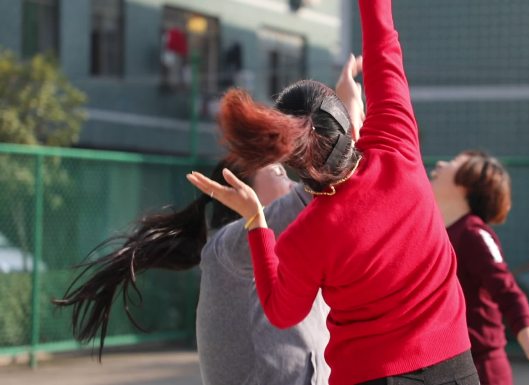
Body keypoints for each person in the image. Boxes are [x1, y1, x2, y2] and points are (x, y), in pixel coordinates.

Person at [186, 1, 478, 384]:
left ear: (296, 164)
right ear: (347, 122)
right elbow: (383, 47)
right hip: (455, 366)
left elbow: (282, 312)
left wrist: (257, 221)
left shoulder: (306, 236)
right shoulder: (398, 148)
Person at [53, 161, 331, 385]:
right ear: (239, 192)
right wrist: (349, 121)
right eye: (280, 172)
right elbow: (308, 201)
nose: (295, 182)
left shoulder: (297, 261)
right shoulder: (226, 249)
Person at [430, 150, 529, 385]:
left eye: (453, 162)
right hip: (447, 366)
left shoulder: (474, 234)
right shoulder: (436, 232)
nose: (441, 163)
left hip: (483, 369)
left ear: (467, 184)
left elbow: (508, 292)